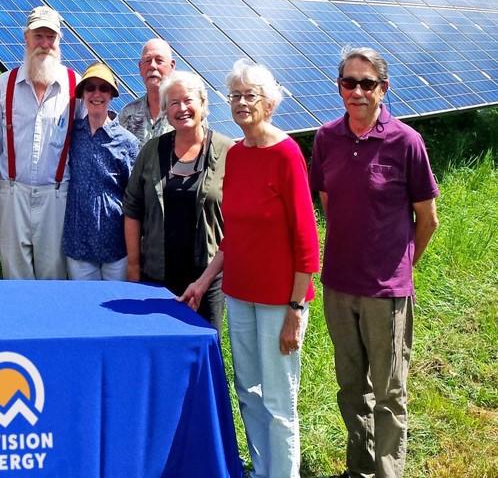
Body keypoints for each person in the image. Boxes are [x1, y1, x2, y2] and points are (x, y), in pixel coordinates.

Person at [180, 59, 320, 478]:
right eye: (235, 95)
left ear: (270, 103)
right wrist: (204, 281)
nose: (241, 103)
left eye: (250, 95)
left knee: (279, 400)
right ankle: (262, 471)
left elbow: (306, 241)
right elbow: (232, 235)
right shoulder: (236, 155)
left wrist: (296, 310)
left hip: (280, 299)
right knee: (249, 394)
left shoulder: (287, 153)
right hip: (239, 294)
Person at [310, 47, 439, 478]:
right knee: (351, 388)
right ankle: (360, 468)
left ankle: (387, 473)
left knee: (389, 392)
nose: (358, 91)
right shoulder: (326, 139)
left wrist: (402, 263)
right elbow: (328, 201)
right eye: (350, 82)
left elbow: (428, 218)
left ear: (384, 89)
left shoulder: (407, 142)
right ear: (339, 88)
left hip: (387, 292)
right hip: (339, 285)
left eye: (368, 83)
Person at [124, 71, 232, 331]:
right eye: (173, 102)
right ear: (165, 110)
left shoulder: (228, 152)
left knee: (203, 349)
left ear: (203, 104)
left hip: (208, 279)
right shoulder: (152, 151)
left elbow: (239, 220)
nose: (181, 108)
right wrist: (134, 267)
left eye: (188, 100)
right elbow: (132, 208)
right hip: (157, 277)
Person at [0, 5, 82, 280]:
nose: (44, 44)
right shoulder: (5, 84)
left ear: (59, 41)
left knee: (54, 278)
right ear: (26, 38)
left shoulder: (75, 85)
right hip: (12, 193)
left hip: (57, 196)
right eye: (38, 36)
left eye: (51, 37)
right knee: (15, 276)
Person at [62, 63, 139, 280]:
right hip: (79, 241)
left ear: (112, 95)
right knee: (83, 307)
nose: (97, 94)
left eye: (103, 88)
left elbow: (133, 196)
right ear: (82, 94)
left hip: (115, 243)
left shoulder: (127, 142)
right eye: (90, 88)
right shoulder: (72, 133)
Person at [118, 38, 176, 146]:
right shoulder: (127, 115)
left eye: (159, 60)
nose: (153, 66)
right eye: (148, 60)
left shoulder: (184, 113)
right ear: (140, 67)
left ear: (172, 66)